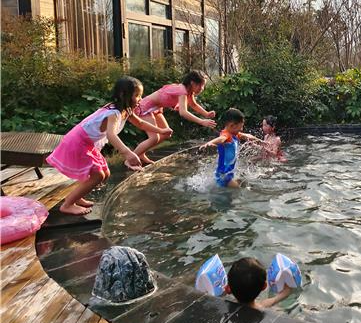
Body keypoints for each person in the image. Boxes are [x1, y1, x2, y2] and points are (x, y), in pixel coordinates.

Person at [46, 76, 173, 215]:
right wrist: (128, 153)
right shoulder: (113, 113)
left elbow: (141, 124)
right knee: (98, 175)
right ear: (123, 95)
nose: (140, 99)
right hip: (77, 143)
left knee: (105, 173)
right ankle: (68, 204)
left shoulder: (125, 110)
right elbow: (111, 135)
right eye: (137, 95)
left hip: (86, 143)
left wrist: (161, 130)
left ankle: (77, 196)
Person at [133, 70, 216, 164]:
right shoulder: (182, 90)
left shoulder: (188, 91)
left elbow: (193, 104)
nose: (202, 88)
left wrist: (206, 114)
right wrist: (201, 121)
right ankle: (131, 158)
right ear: (192, 83)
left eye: (203, 86)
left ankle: (140, 153)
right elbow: (183, 112)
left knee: (166, 133)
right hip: (145, 108)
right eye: (200, 85)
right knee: (154, 138)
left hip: (155, 109)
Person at [200, 108, 262, 188]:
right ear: (232, 125)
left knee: (244, 182)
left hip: (229, 173)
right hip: (223, 175)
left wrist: (260, 141)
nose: (241, 129)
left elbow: (247, 136)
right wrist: (210, 143)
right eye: (241, 127)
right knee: (242, 190)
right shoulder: (226, 135)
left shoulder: (234, 134)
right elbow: (221, 139)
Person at [225, 257, 292, 309]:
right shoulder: (262, 305)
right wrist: (287, 286)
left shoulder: (226, 301)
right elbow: (283, 294)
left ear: (228, 287)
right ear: (264, 286)